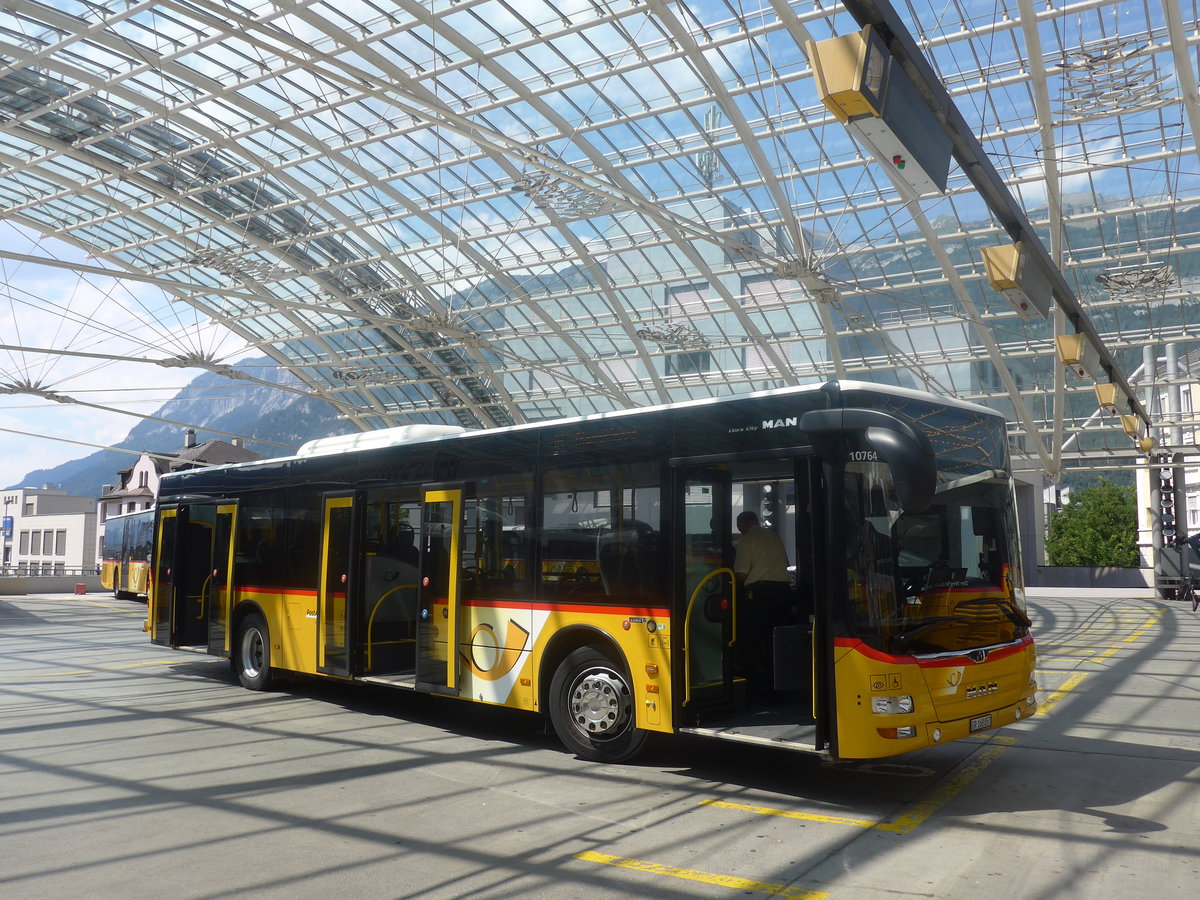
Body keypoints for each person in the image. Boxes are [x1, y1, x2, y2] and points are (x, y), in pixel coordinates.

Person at [733, 510, 793, 698]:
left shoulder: (746, 540)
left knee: (749, 639)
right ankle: (779, 687)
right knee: (775, 640)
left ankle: (754, 688)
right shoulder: (775, 537)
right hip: (783, 592)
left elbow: (741, 575)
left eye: (739, 528)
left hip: (760, 594)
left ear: (742, 525)